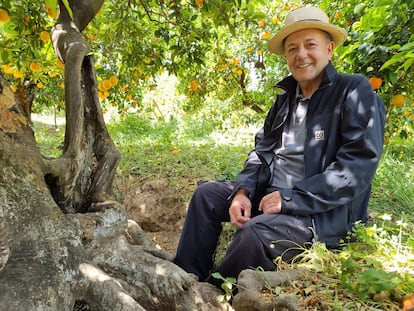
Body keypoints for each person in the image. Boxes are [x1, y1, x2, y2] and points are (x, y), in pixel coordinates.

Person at [173, 6, 386, 288]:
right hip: (272, 199)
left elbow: (356, 168)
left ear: (329, 49)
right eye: (293, 48)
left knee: (253, 233)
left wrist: (290, 199)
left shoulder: (353, 91)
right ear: (286, 56)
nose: (302, 55)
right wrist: (243, 191)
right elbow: (261, 153)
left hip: (317, 214)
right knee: (206, 195)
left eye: (311, 45)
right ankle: (185, 275)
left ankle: (211, 291)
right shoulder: (284, 102)